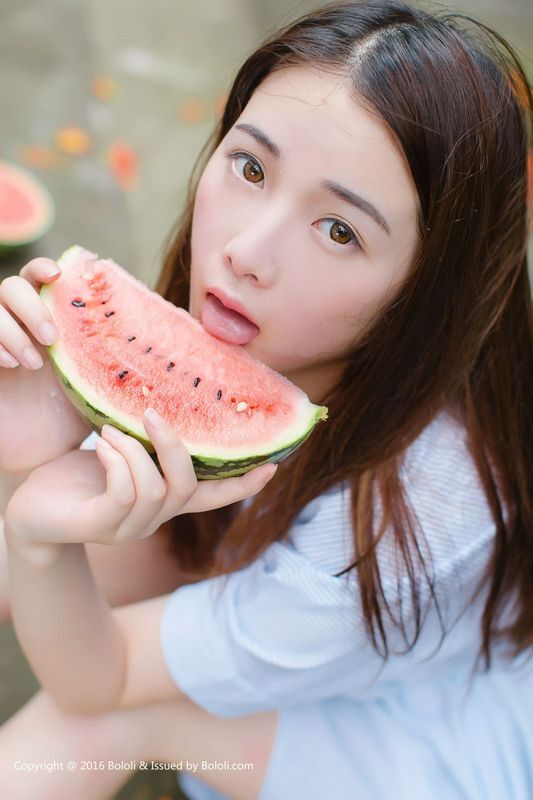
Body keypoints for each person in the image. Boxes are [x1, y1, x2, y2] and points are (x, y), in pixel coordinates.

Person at [0, 0, 531, 797]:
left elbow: (94, 682)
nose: (245, 252)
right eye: (250, 168)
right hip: (318, 629)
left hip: (425, 741)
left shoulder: (385, 544)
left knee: (103, 718)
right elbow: (100, 579)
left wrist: (36, 536)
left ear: (426, 294)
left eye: (339, 231)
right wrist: (36, 445)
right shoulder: (272, 325)